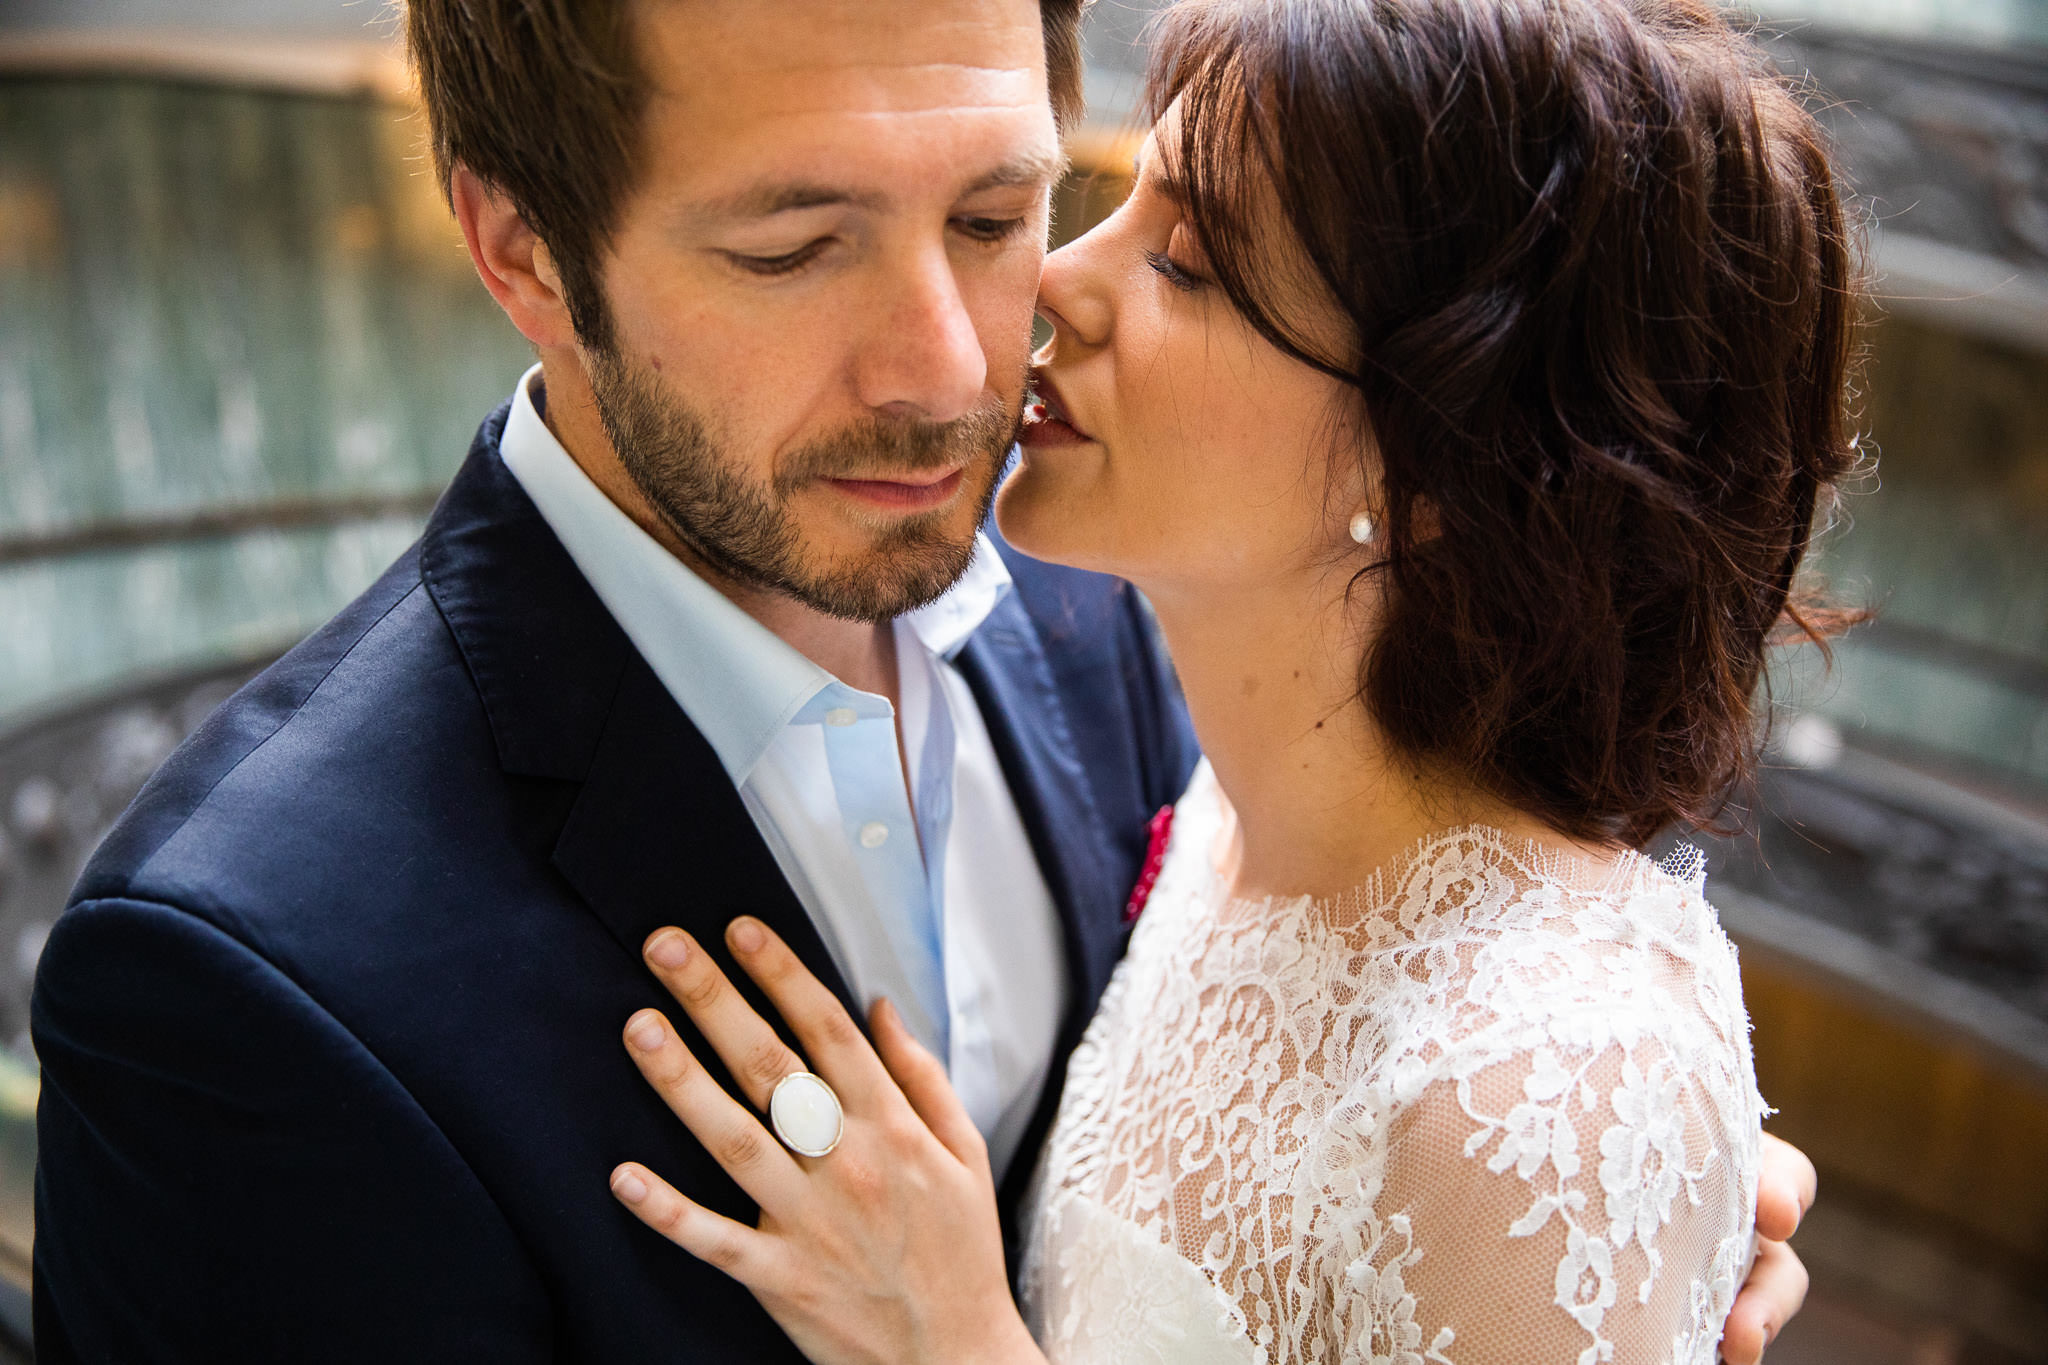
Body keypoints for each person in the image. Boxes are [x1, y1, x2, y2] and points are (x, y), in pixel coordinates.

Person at [29, 0, 1811, 1360]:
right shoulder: (235, 988)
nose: (956, 366)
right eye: (795, 247)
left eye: (994, 213)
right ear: (518, 250)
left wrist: (1561, 1206)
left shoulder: (1130, 589)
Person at [598, 1, 1853, 1362]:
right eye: (1117, 202)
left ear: (1436, 459)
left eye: (1187, 264)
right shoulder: (1221, 813)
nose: (1058, 281)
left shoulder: (1547, 1086)